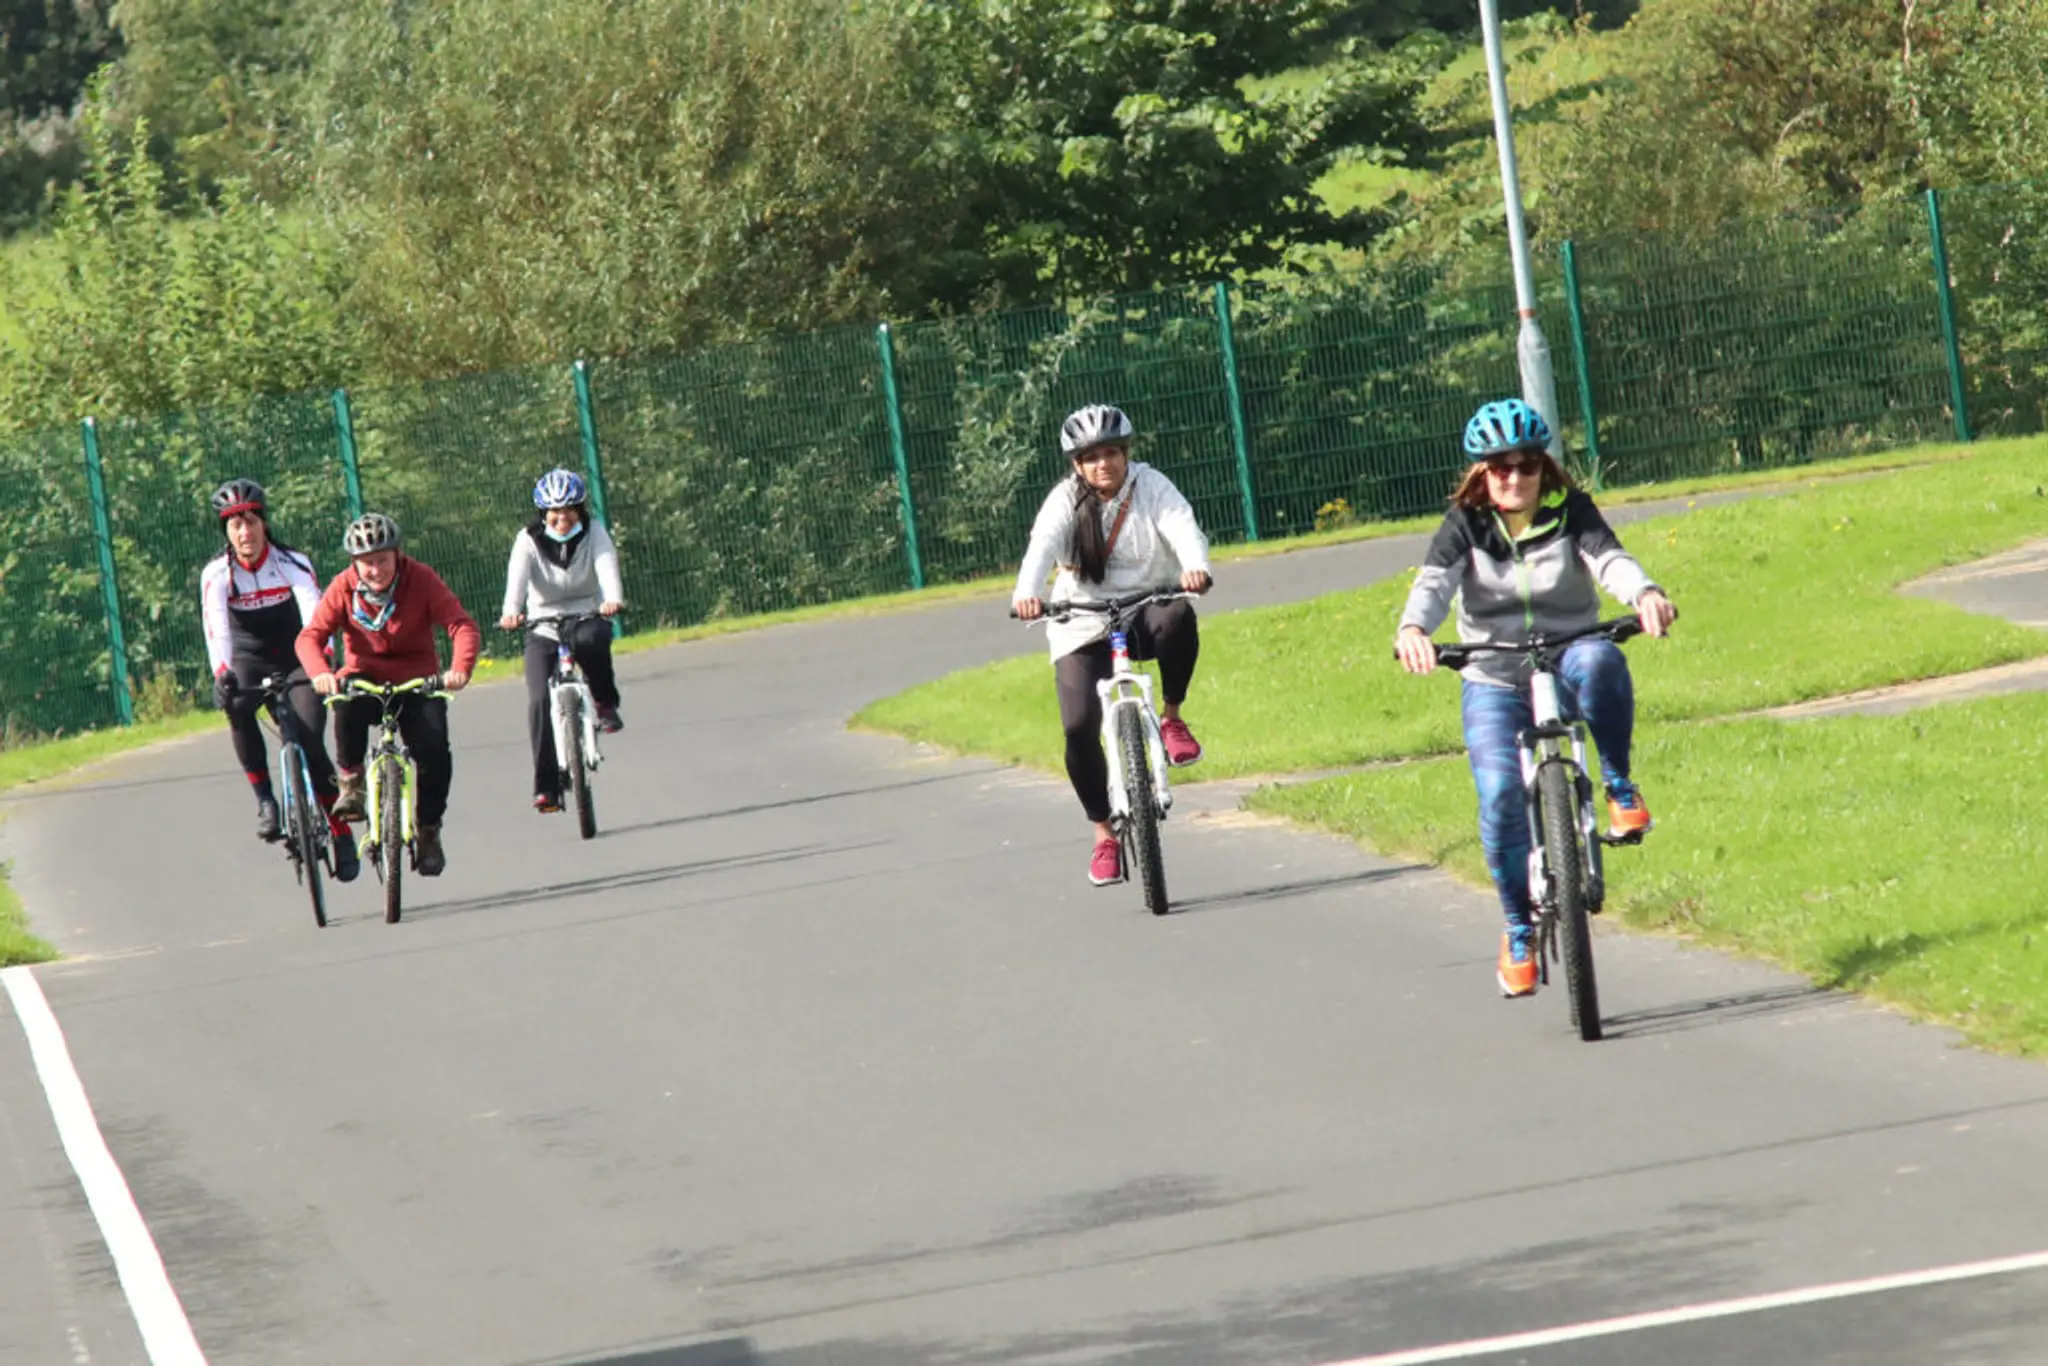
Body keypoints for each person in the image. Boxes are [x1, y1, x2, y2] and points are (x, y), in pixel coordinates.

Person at [1394, 399, 1676, 998]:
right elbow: (1433, 589)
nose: (1514, 478)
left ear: (1543, 469)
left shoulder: (1571, 511)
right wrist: (1413, 631)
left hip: (1569, 649)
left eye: (1526, 466)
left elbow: (1610, 560)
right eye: (1500, 468)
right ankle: (1518, 927)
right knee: (1498, 796)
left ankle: (1620, 785)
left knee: (1602, 659)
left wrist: (1645, 594)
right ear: (1481, 474)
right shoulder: (1465, 525)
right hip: (1494, 675)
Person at [1012, 403, 1214, 887]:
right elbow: (1041, 545)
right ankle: (1103, 834)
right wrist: (1027, 594)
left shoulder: (1151, 486)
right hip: (1080, 620)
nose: (1103, 464)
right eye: (1090, 456)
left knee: (1179, 616)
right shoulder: (1064, 501)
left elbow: (1182, 523)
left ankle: (1171, 718)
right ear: (1076, 464)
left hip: (1146, 604)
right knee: (1078, 726)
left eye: (1111, 453)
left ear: (1126, 453)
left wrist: (1194, 565)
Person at [295, 512, 481, 878]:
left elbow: (460, 625)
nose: (376, 570)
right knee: (344, 706)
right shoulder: (343, 587)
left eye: (383, 560)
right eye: (367, 563)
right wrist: (321, 674)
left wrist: (459, 669)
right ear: (354, 563)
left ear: (397, 555)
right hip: (364, 679)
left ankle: (428, 830)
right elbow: (310, 636)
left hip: (417, 682)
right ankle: (351, 784)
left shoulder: (421, 579)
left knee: (434, 749)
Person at [200, 479, 360, 882]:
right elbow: (216, 627)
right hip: (248, 656)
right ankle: (266, 801)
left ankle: (340, 830)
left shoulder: (292, 563)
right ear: (226, 532)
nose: (244, 532)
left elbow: (315, 616)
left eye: (251, 522)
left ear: (264, 524)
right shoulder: (217, 573)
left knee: (308, 734)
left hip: (296, 652)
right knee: (237, 708)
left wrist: (321, 664)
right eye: (234, 525)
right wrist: (223, 674)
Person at [498, 468, 626, 814]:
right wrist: (511, 612)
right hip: (542, 622)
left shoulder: (594, 533)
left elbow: (607, 567)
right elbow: (517, 581)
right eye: (554, 512)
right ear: (544, 514)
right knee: (539, 700)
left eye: (569, 510)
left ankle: (603, 700)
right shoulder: (528, 539)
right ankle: (546, 788)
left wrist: (612, 599)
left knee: (593, 640)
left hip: (585, 612)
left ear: (580, 510)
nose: (562, 519)